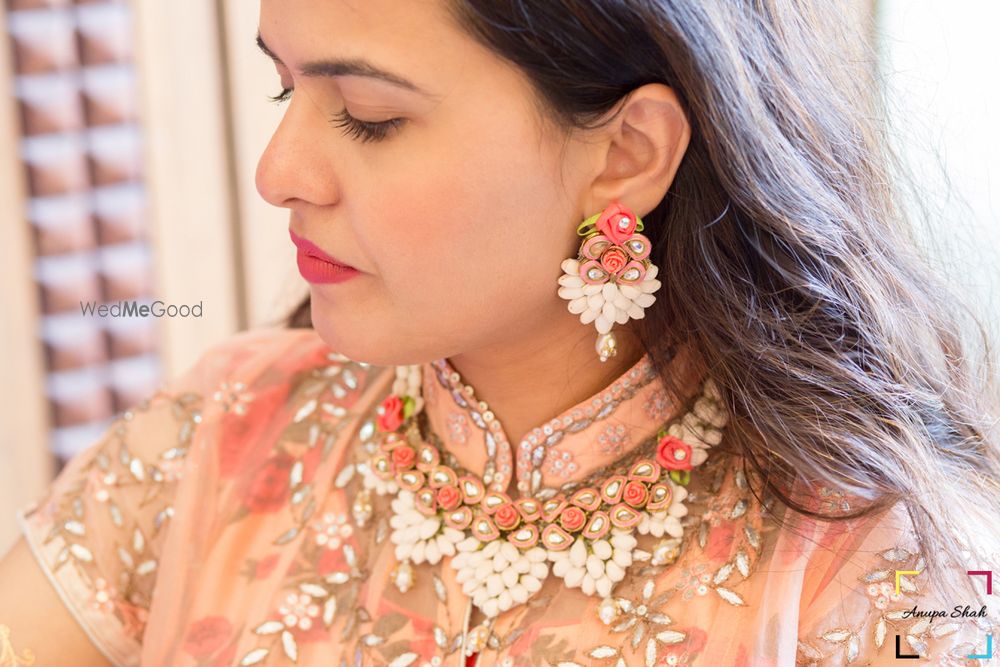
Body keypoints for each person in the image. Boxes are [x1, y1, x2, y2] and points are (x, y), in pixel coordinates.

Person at [2, 0, 999, 665]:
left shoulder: (881, 566)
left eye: (365, 114)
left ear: (625, 155)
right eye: (283, 88)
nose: (279, 171)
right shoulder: (222, 439)